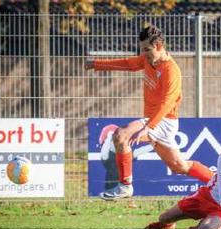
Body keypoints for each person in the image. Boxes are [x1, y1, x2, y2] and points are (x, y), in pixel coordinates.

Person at [85, 24, 214, 200]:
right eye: (142, 50)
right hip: (154, 122)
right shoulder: (148, 60)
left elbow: (167, 103)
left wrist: (148, 127)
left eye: (147, 49)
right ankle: (217, 181)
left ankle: (125, 186)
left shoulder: (171, 70)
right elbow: (129, 64)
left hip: (164, 121)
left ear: (159, 46)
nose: (143, 53)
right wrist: (96, 64)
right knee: (178, 166)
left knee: (120, 135)